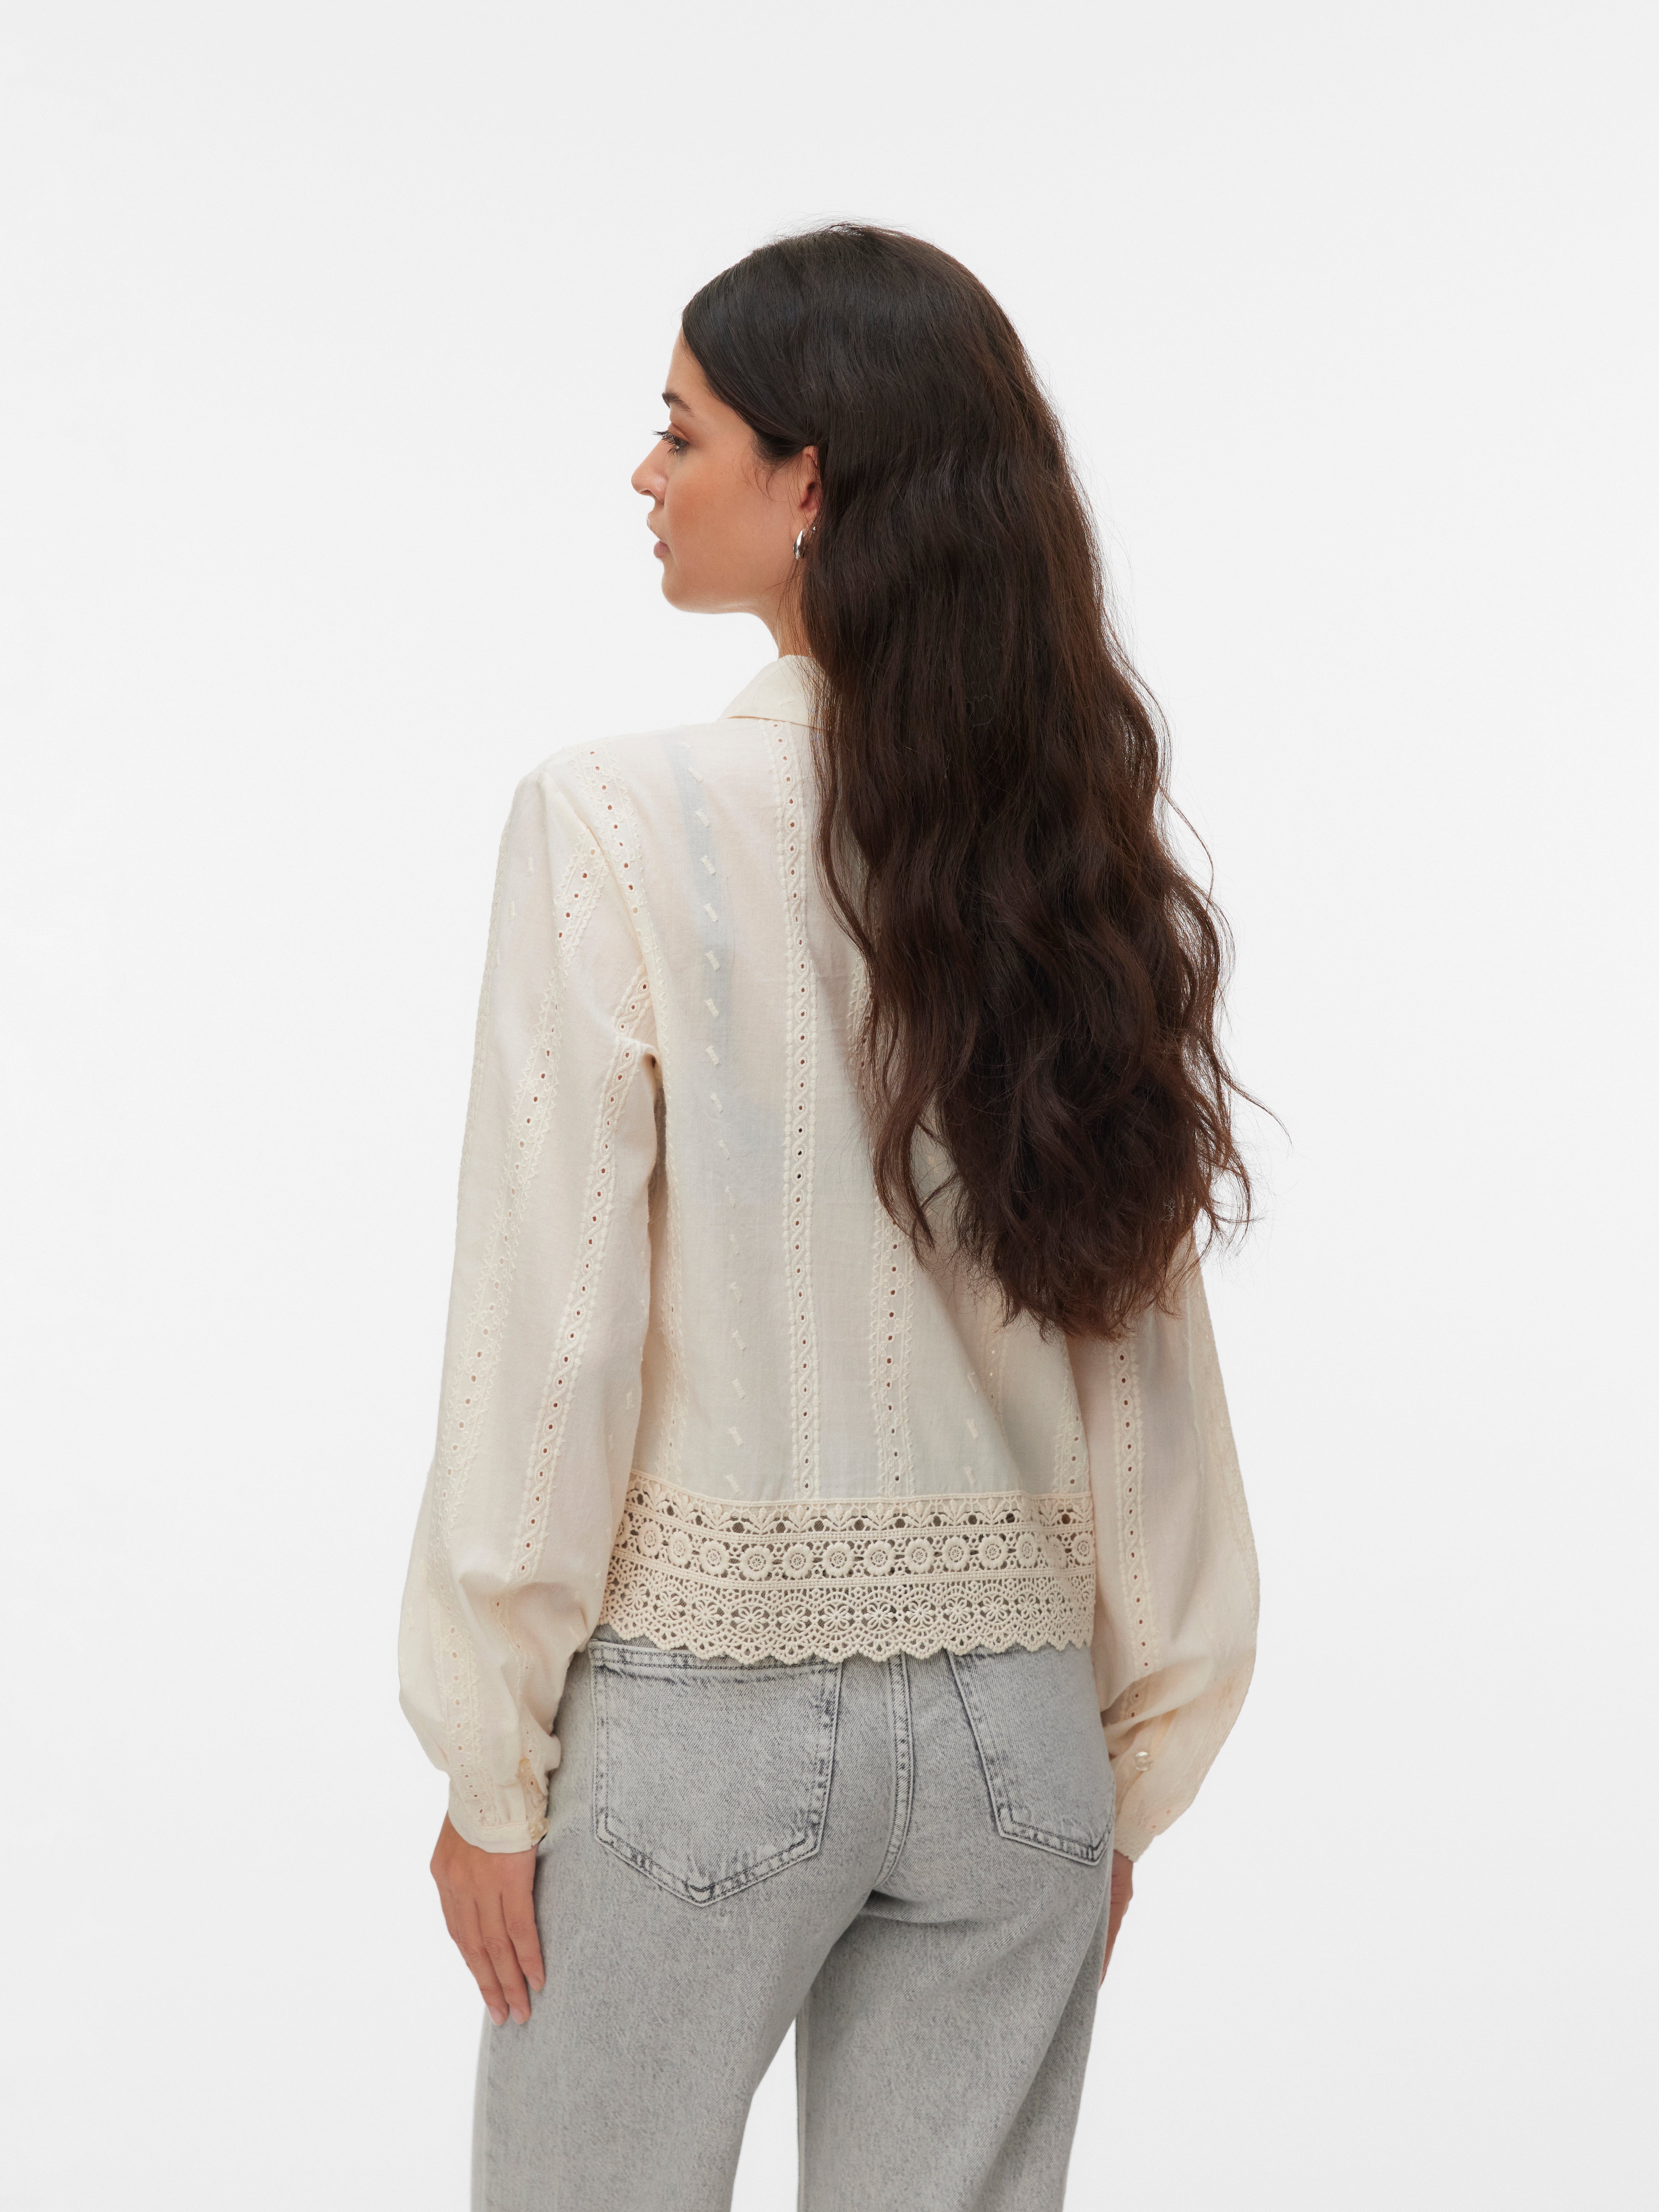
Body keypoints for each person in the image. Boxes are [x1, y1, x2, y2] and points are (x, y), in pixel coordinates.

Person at [398, 222, 1261, 2212]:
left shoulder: (611, 823)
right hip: (1022, 1748)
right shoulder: (1067, 863)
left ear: (812, 486)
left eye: (682, 430)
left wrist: (489, 1758)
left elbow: (553, 1331)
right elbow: (1144, 1358)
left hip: (698, 1723)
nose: (644, 473)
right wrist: (1119, 1767)